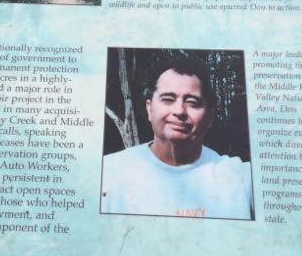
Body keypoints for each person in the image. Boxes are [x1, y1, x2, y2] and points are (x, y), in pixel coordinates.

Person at [101, 59, 253, 219]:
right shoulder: (108, 173)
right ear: (149, 109)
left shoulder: (240, 178)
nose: (179, 111)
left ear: (209, 117)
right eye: (168, 99)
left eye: (192, 103)